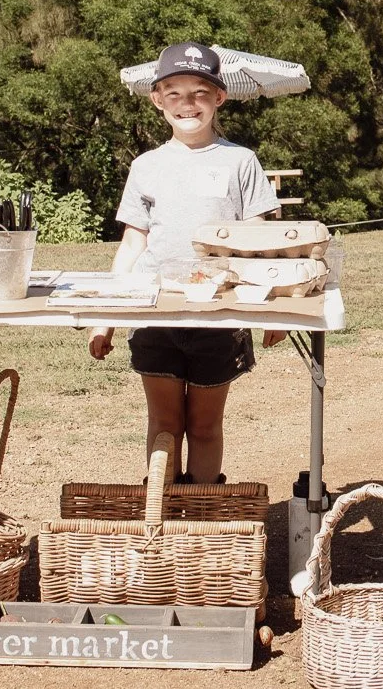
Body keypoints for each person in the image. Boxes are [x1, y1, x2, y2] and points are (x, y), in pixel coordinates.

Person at [88, 42, 284, 484]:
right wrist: (105, 320)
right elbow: (133, 244)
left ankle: (202, 513)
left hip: (219, 316)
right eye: (174, 93)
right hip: (155, 314)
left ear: (219, 97)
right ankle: (162, 514)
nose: (187, 103)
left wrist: (272, 311)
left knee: (204, 426)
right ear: (157, 99)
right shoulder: (146, 166)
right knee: (164, 424)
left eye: (199, 92)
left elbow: (258, 245)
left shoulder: (241, 161)